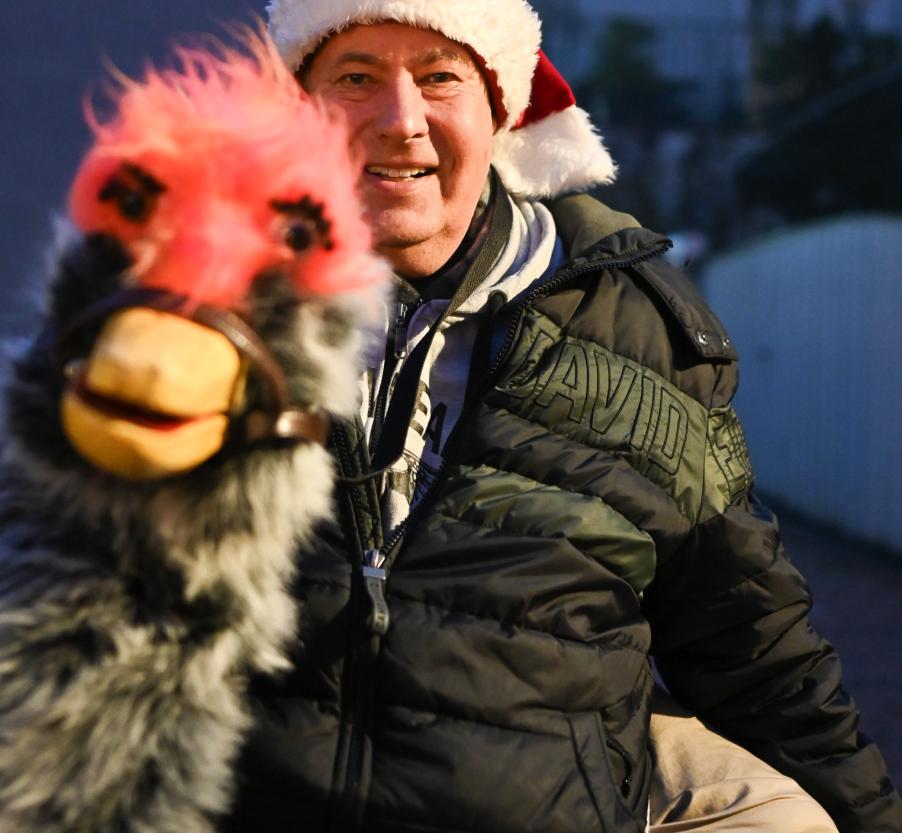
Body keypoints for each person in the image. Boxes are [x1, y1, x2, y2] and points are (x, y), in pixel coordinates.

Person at [223, 2, 902, 831]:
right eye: (356, 78)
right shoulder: (200, 307)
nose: (400, 120)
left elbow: (748, 639)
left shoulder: (635, 328)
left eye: (440, 78)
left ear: (502, 108)